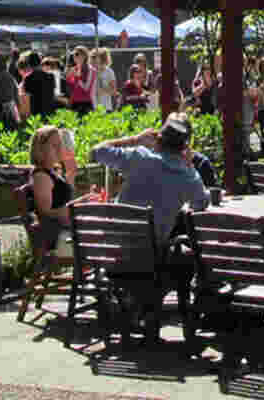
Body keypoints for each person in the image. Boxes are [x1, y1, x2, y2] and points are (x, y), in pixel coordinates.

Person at [91, 113, 210, 243]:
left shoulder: (138, 157)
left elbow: (96, 151)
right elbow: (201, 203)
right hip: (149, 259)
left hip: (113, 253)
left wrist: (135, 139)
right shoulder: (188, 176)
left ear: (158, 139)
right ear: (184, 148)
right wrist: (189, 165)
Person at [27, 125, 98, 253]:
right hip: (58, 236)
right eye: (54, 145)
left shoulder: (52, 172)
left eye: (60, 144)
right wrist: (78, 206)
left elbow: (62, 202)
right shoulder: (41, 176)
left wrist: (83, 201)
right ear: (41, 149)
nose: (60, 149)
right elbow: (46, 213)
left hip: (65, 230)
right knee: (103, 233)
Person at [64, 47, 94, 116]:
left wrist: (77, 77)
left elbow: (86, 88)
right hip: (73, 103)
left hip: (85, 104)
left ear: (84, 56)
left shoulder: (91, 70)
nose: (74, 56)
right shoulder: (73, 69)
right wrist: (68, 78)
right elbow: (70, 88)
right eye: (73, 54)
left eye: (77, 54)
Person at [91, 47, 117, 113]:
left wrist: (103, 90)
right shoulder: (91, 71)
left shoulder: (109, 71)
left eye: (95, 57)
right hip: (93, 106)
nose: (92, 59)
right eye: (92, 57)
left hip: (106, 106)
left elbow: (113, 91)